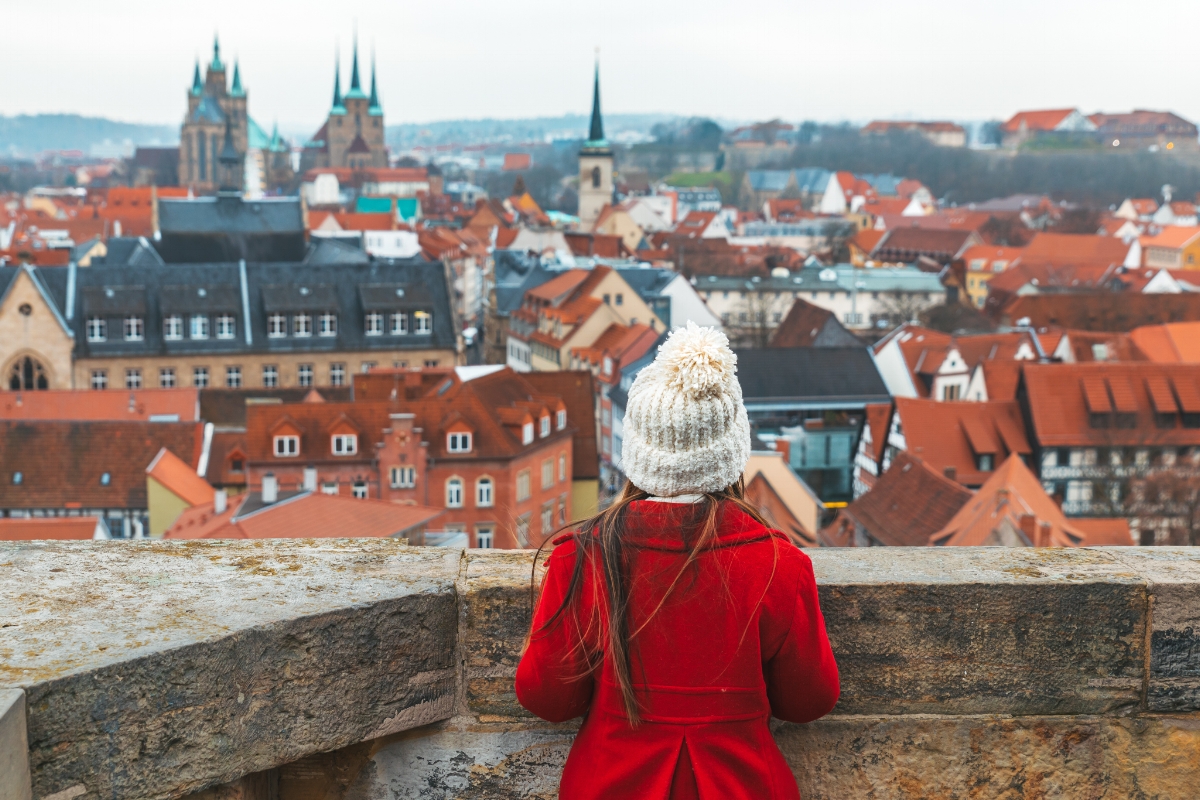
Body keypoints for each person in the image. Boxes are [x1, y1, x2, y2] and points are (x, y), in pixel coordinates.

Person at [516, 322, 840, 800]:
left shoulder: (584, 558)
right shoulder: (778, 565)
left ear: (638, 455)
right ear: (732, 455)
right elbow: (809, 699)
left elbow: (547, 698)